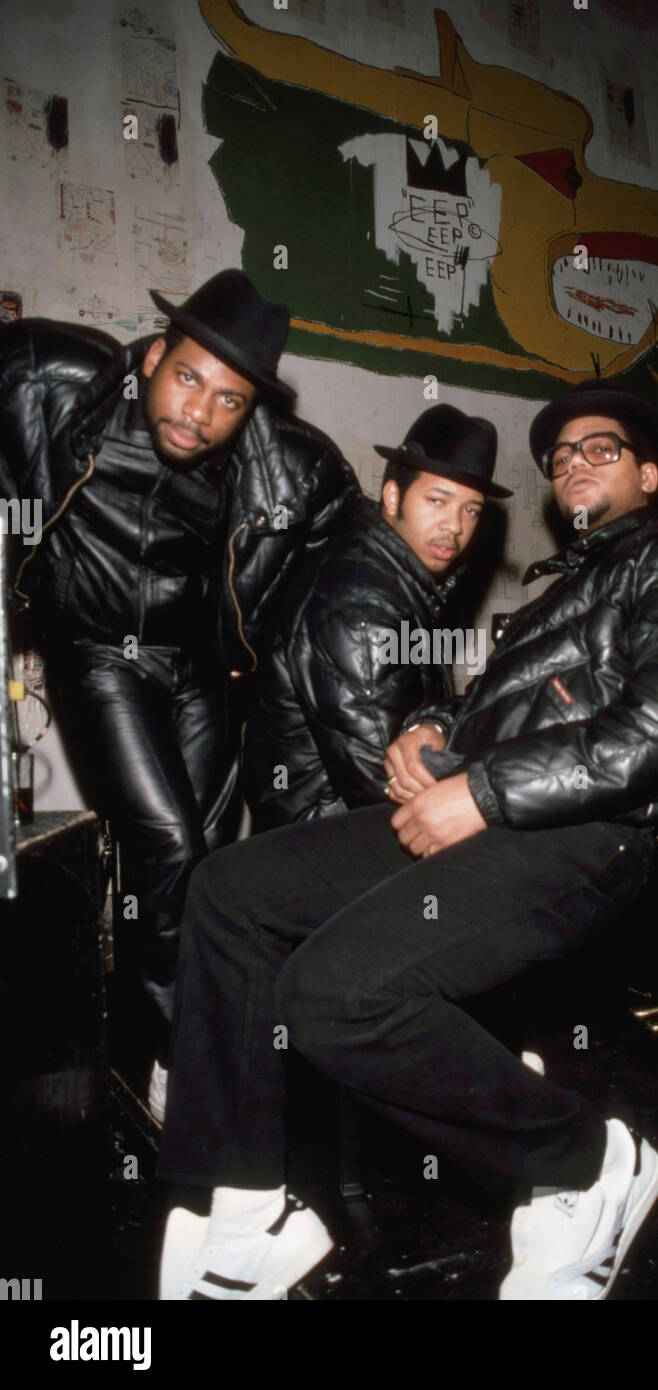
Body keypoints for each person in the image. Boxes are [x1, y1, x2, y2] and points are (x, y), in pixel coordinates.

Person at [155, 383, 658, 1301]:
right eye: (558, 458)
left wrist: (478, 791)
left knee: (332, 997)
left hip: (587, 838)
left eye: (599, 450)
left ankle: (587, 1161)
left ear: (649, 473)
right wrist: (427, 730)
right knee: (231, 888)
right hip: (499, 816)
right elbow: (494, 711)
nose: (572, 465)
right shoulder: (564, 587)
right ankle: (248, 1210)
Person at [0, 270, 358, 1116]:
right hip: (97, 653)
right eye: (188, 377)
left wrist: (276, 656)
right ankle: (182, 1064)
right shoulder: (51, 376)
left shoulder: (291, 466)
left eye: (228, 400)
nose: (197, 413)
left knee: (201, 867)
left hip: (201, 667)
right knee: (166, 846)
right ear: (155, 355)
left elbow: (354, 561)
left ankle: (139, 1043)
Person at [243, 403, 509, 830]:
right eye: (437, 500)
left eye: (470, 510)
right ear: (392, 495)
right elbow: (389, 785)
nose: (455, 526)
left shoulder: (396, 579)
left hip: (336, 834)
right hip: (321, 847)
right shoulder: (359, 601)